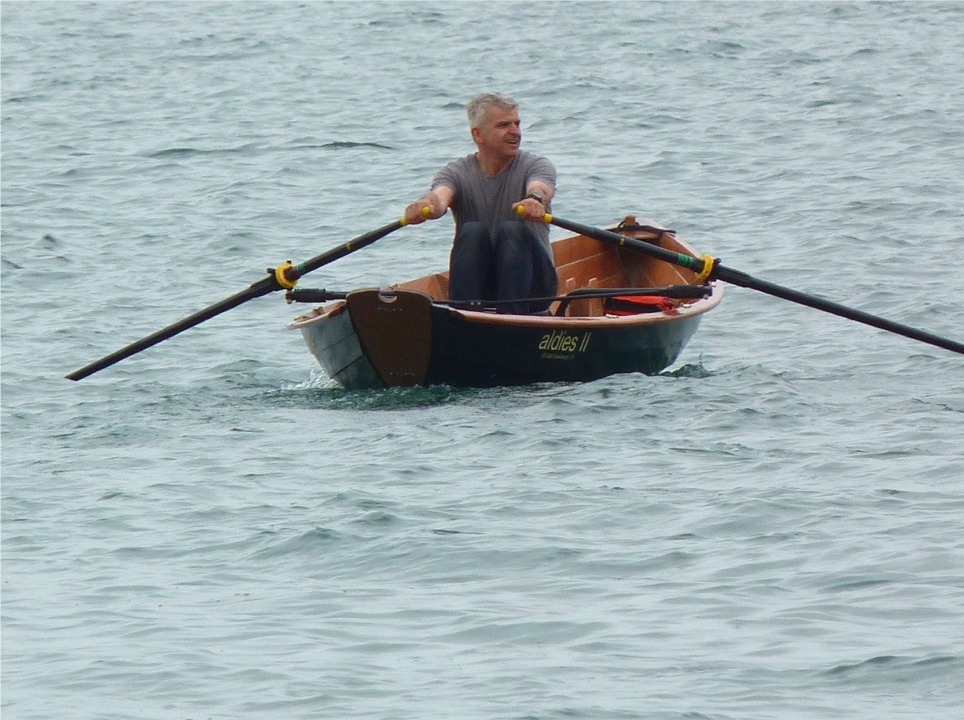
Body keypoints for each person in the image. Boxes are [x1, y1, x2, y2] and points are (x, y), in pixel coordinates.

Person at [403, 92, 558, 314]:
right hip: (480, 287)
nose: (515, 132)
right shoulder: (456, 172)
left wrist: (534, 200)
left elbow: (540, 188)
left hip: (534, 287)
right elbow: (439, 198)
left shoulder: (536, 165)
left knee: (511, 230)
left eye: (517, 123)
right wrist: (424, 205)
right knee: (472, 231)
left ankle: (512, 320)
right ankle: (464, 317)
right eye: (504, 125)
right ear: (478, 135)